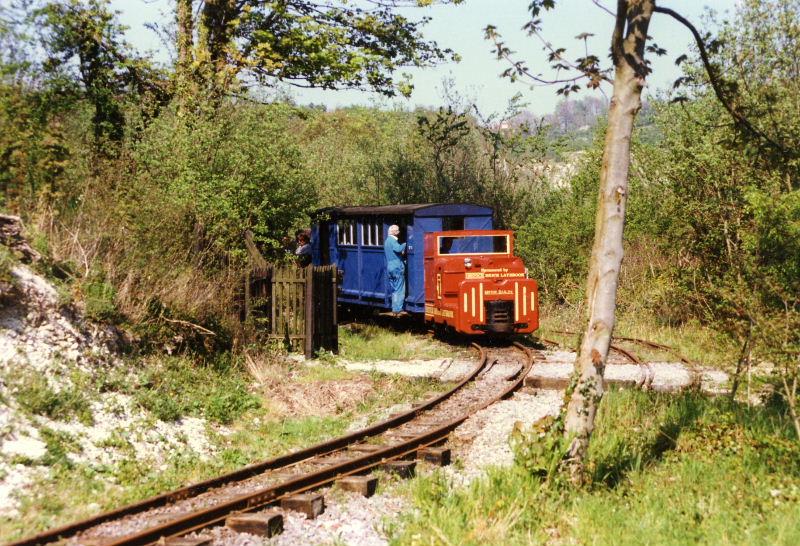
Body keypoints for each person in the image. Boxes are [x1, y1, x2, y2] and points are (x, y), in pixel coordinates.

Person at [384, 224, 407, 315]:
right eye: (397, 230)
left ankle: (394, 308)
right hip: (397, 267)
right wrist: (405, 243)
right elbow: (398, 249)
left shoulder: (386, 241)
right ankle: (398, 309)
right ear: (393, 232)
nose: (399, 232)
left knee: (394, 289)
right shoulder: (393, 241)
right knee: (400, 289)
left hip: (390, 267)